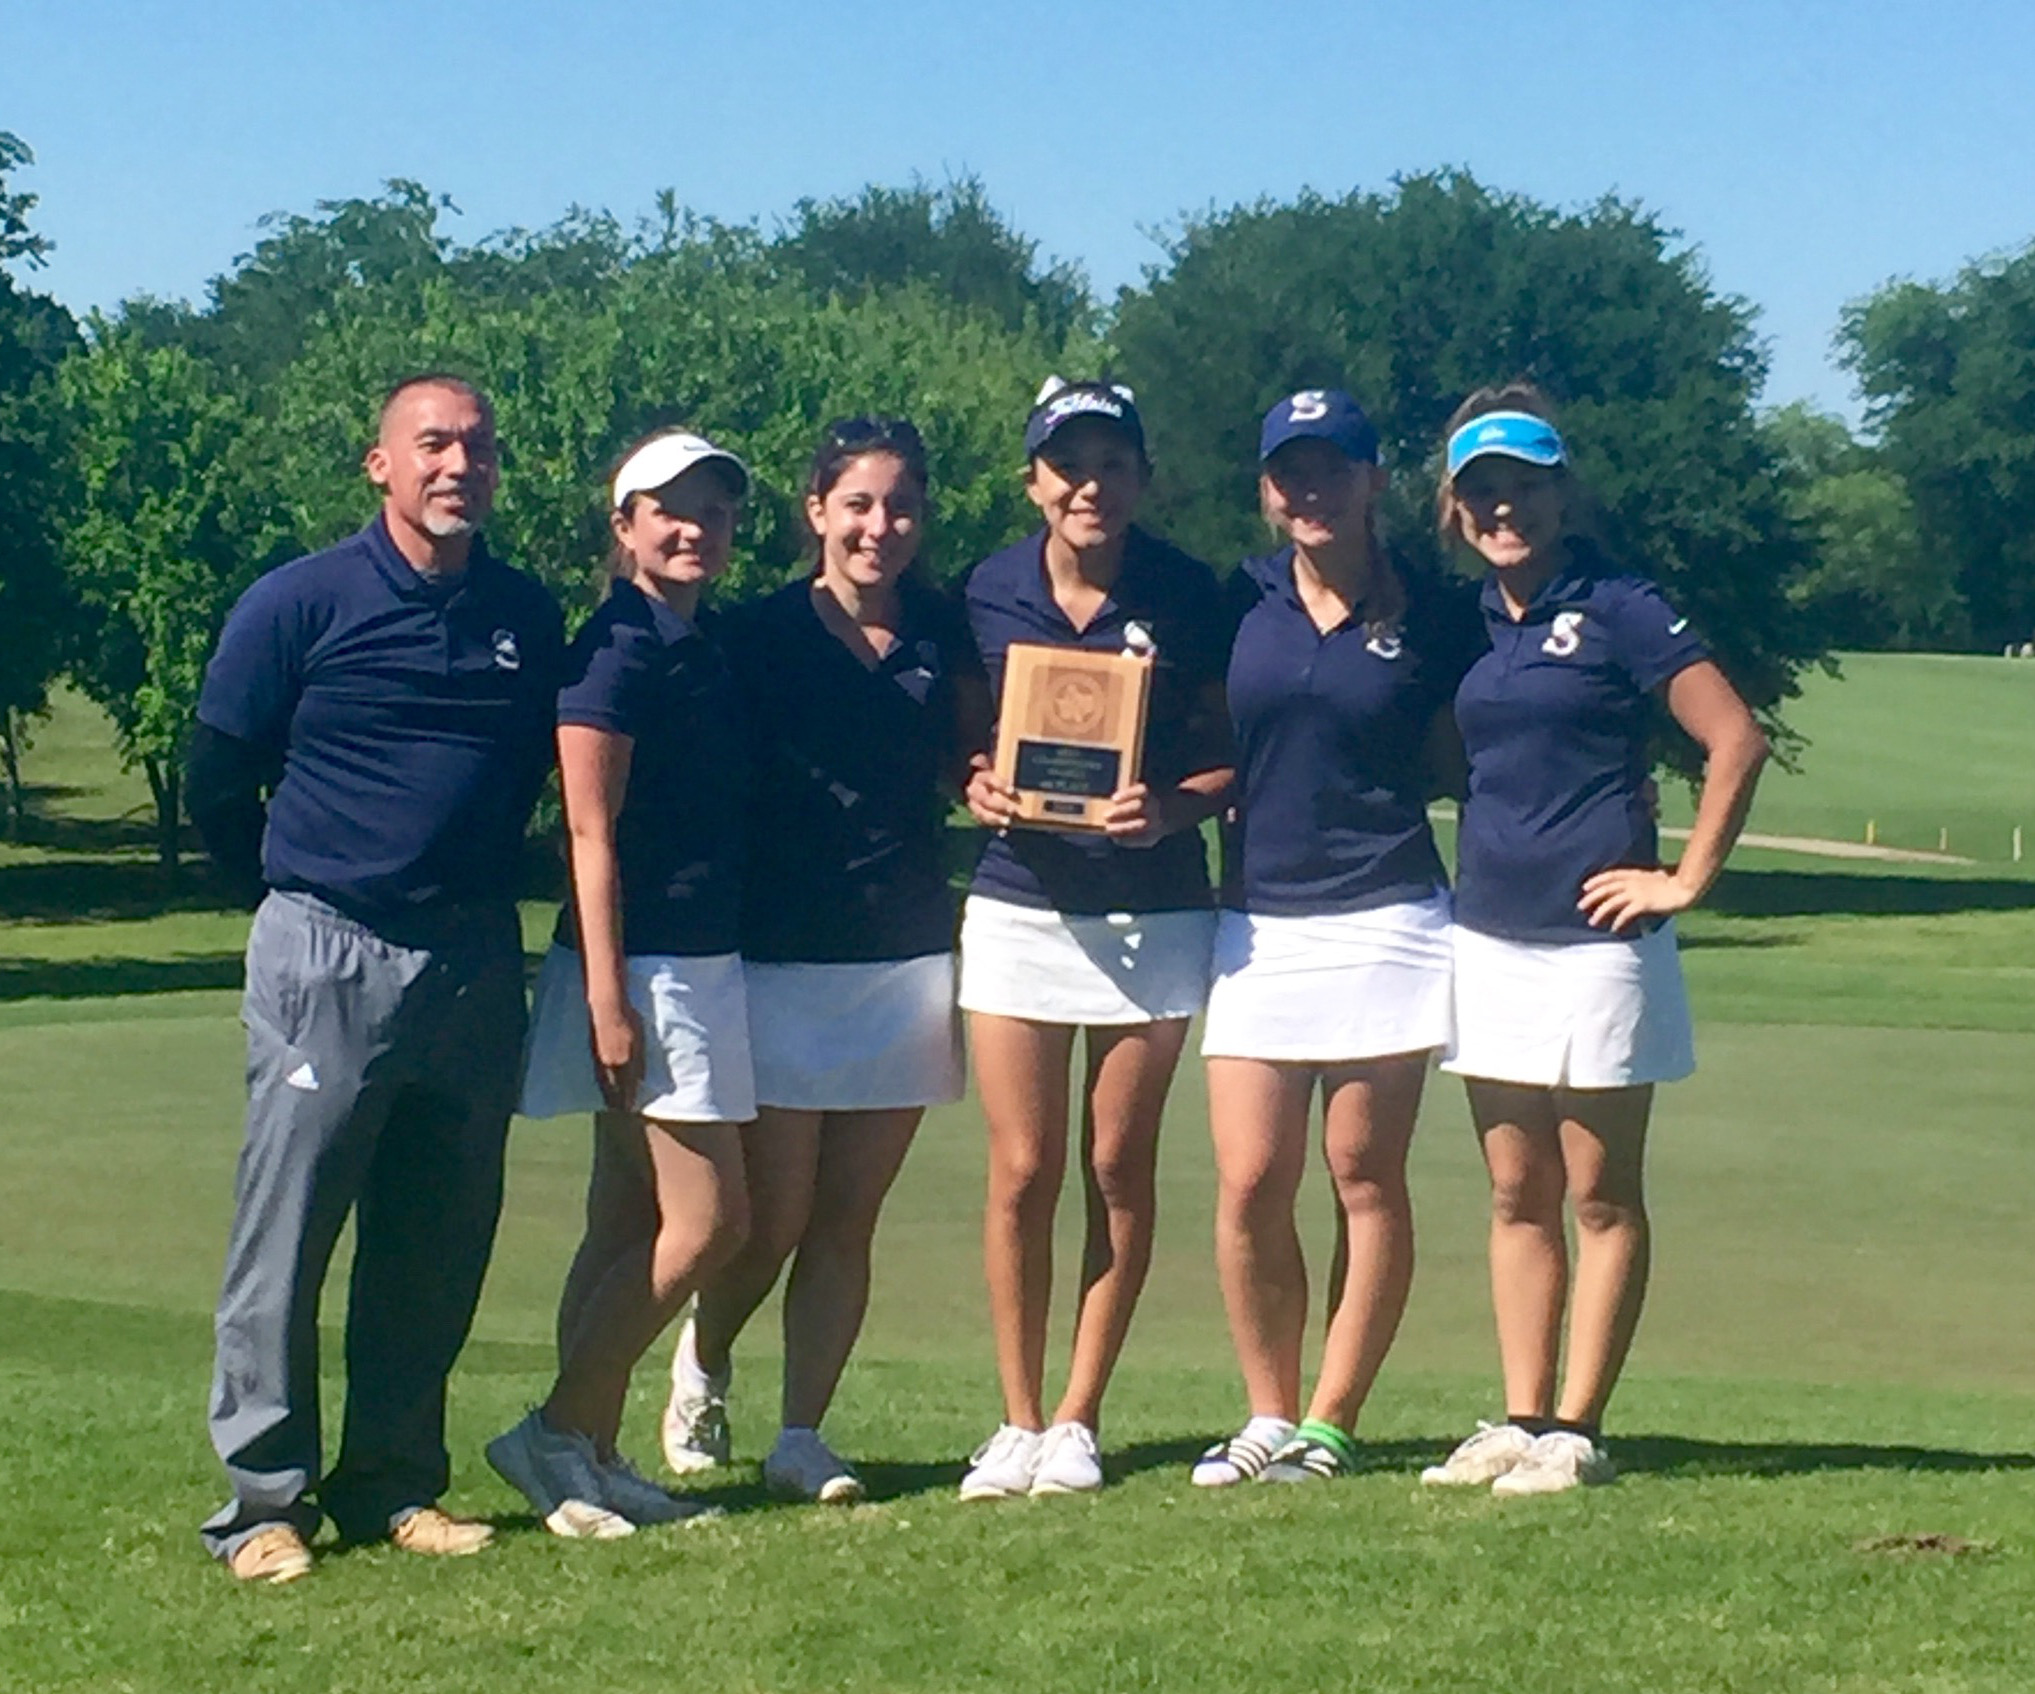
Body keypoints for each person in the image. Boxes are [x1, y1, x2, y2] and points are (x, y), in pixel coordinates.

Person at [188, 374, 565, 1583]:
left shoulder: (523, 611)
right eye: (434, 444)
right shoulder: (300, 599)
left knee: (436, 1237)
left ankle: (393, 1481)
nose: (459, 464)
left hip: (469, 956)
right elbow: (217, 776)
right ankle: (262, 1503)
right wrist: (294, 895)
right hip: (327, 945)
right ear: (381, 465)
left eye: (478, 447)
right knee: (287, 1234)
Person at [1421, 385, 1767, 1496]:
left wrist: (1686, 876)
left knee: (1599, 1191)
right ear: (1455, 507)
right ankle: (1521, 1415)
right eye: (1481, 490)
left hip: (1599, 944)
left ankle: (1578, 1425)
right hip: (1488, 936)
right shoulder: (1465, 619)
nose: (1503, 506)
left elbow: (1733, 738)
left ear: (1561, 493)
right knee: (1514, 1191)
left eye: (1523, 485)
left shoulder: (1617, 604)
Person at [661, 418, 979, 1504]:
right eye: (857, 504)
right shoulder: (753, 634)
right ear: (816, 511)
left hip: (904, 955)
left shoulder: (946, 630)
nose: (877, 526)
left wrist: (989, 782)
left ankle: (803, 1434)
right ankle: (703, 1359)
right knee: (776, 1212)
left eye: (898, 506)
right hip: (782, 951)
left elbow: (970, 757)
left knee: (850, 1215)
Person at [1193, 390, 1482, 1486]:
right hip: (1259, 921)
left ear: (1374, 480)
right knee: (1251, 1177)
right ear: (1268, 490)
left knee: (1362, 1171)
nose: (1308, 490)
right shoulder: (1238, 600)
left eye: (1331, 468)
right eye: (1289, 472)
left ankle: (1331, 1417)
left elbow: (1478, 740)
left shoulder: (1437, 611)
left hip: (1391, 915)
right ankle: (1265, 1408)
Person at [955, 378, 1234, 1498]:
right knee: (1021, 1167)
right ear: (1032, 480)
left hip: (1154, 906)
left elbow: (1229, 755)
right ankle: (1016, 1418)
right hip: (1019, 900)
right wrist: (972, 782)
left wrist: (1171, 805)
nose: (1089, 484)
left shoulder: (1187, 591)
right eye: (1067, 463)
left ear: (1141, 479)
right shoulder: (984, 590)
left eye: (1112, 462)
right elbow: (961, 742)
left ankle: (1077, 1416)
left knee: (1116, 1163)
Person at [487, 429, 756, 1537]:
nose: (693, 526)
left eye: (713, 510)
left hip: (695, 954)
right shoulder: (615, 648)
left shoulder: (696, 640)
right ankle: (555, 1429)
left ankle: (587, 1454)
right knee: (711, 1220)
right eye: (668, 508)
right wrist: (609, 996)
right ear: (625, 525)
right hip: (645, 964)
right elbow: (588, 832)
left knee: (622, 1220)